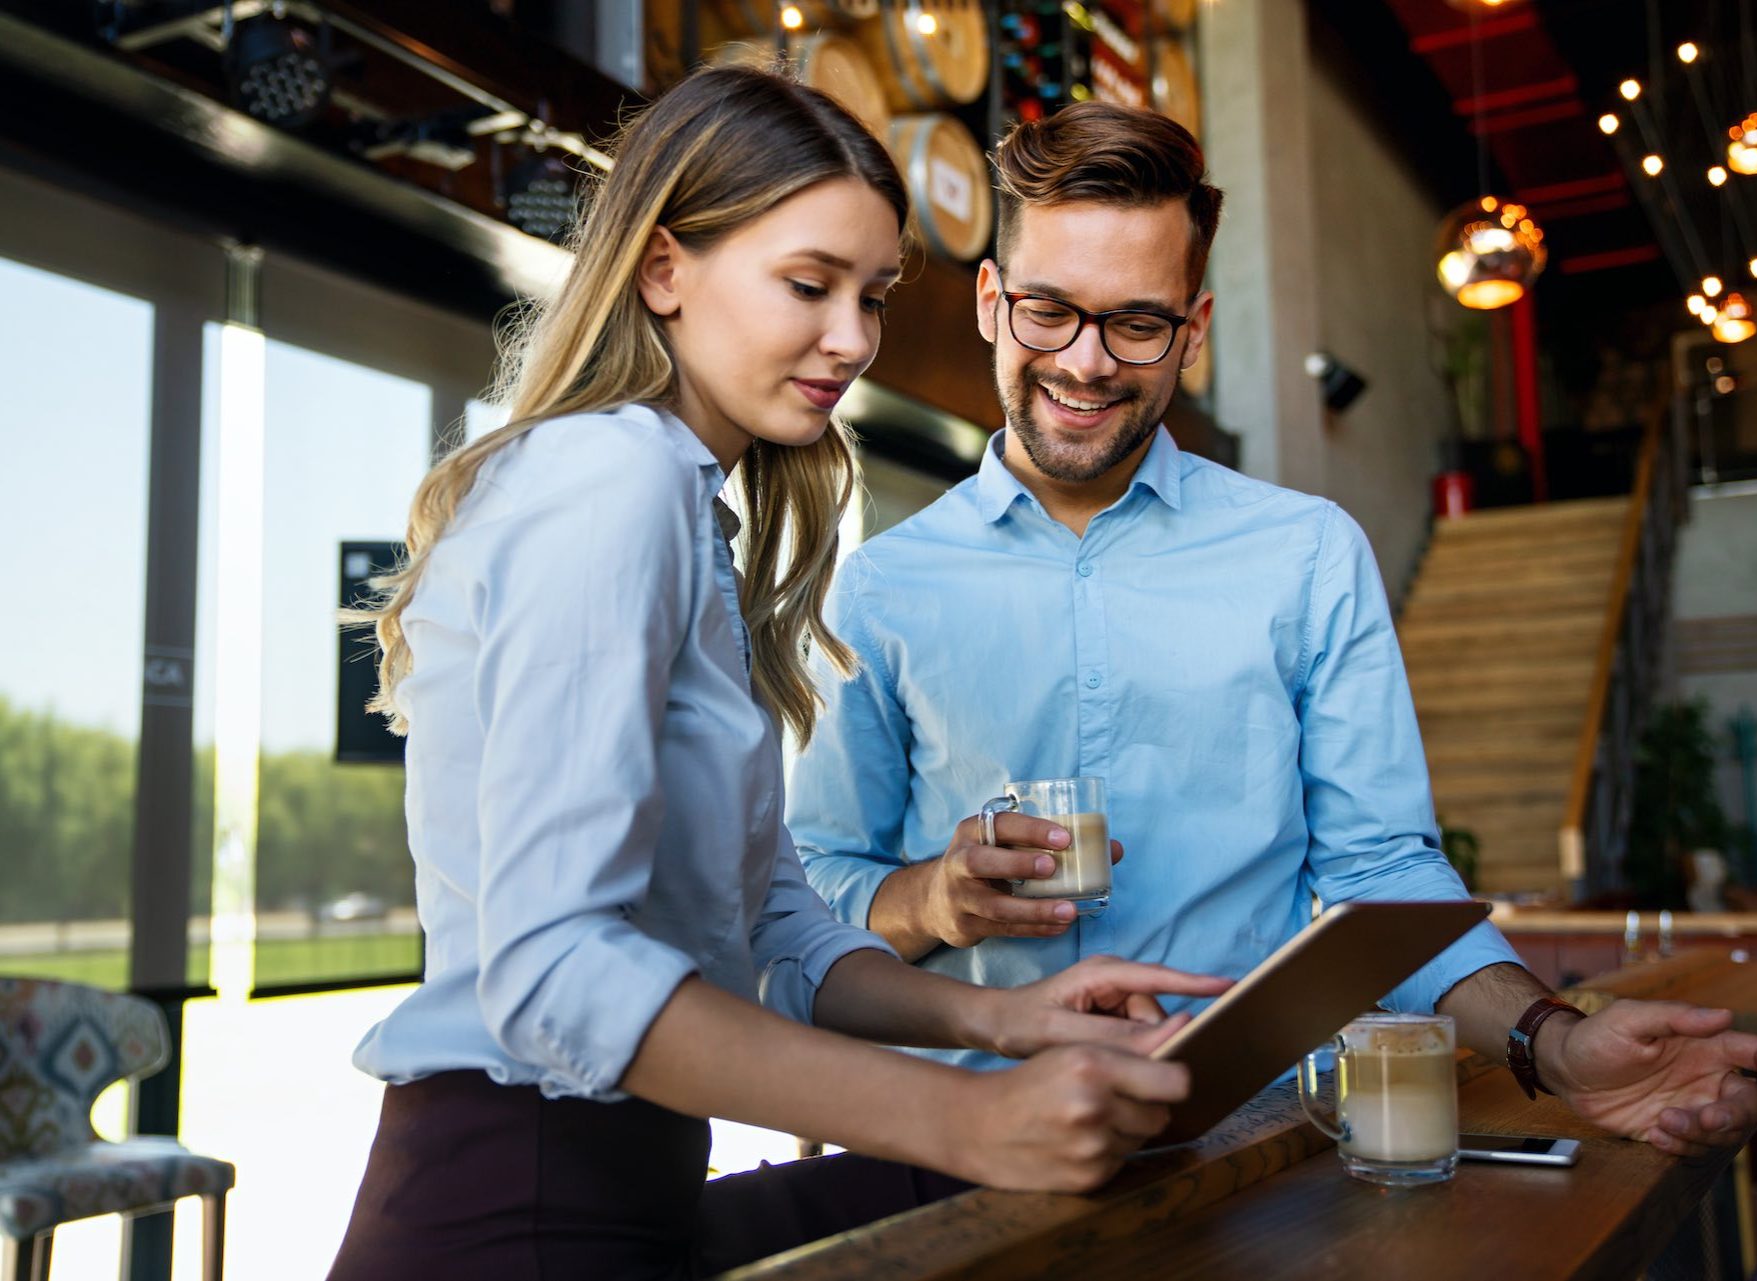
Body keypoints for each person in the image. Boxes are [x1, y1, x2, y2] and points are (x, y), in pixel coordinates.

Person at [326, 68, 1235, 1281]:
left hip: (615, 1188)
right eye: (809, 287)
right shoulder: (614, 479)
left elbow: (769, 924)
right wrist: (968, 1116)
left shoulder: (690, 513)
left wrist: (1002, 1020)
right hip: (519, 1201)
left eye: (871, 296)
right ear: (663, 270)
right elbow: (554, 972)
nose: (854, 339)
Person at [788, 100, 1757, 1155]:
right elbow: (814, 889)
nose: (1085, 363)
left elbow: (1379, 878)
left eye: (1136, 321)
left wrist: (1553, 1038)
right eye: (1048, 310)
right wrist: (933, 900)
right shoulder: (879, 586)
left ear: (1196, 328)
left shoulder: (1305, 554)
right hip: (958, 1145)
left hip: (1248, 1146)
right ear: (993, 302)